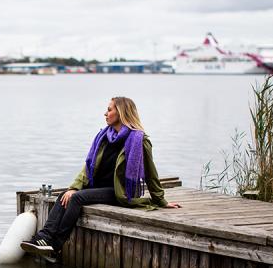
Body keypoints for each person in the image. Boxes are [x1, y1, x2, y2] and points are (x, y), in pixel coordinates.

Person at [21, 96, 182, 258]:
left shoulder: (138, 140)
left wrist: (161, 201)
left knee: (77, 198)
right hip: (97, 186)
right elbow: (88, 166)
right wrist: (73, 187)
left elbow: (151, 173)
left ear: (120, 113)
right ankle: (44, 237)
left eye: (109, 110)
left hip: (119, 191)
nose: (105, 113)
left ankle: (55, 245)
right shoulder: (104, 137)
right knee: (65, 195)